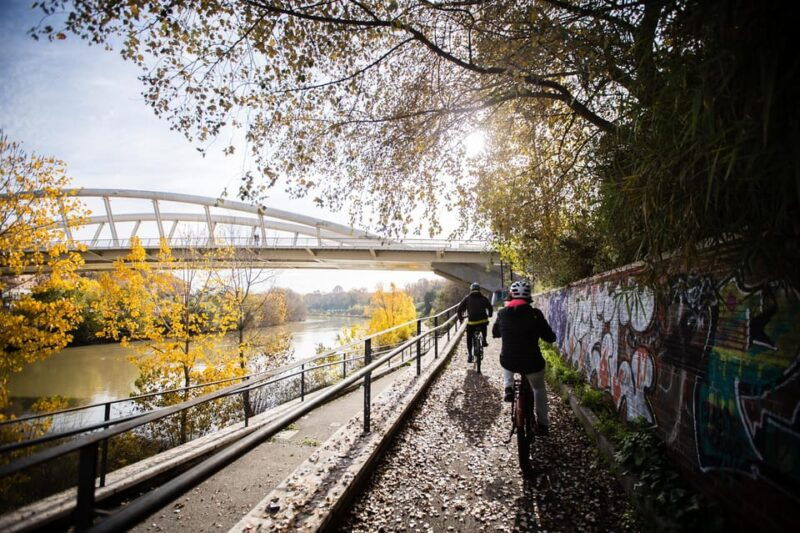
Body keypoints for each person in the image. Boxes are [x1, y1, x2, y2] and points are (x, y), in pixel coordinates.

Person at [492, 279, 556, 435]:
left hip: (509, 361)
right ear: (529, 297)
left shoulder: (502, 313)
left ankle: (508, 387)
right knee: (539, 389)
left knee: (505, 360)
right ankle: (543, 425)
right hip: (532, 363)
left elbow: (495, 333)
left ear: (510, 296)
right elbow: (550, 337)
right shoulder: (535, 314)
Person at [457, 282, 493, 363]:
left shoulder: (467, 298)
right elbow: (490, 307)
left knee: (469, 337)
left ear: (471, 289)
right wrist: (490, 315)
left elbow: (459, 309)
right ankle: (484, 340)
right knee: (484, 324)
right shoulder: (484, 298)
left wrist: (461, 319)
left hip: (472, 322)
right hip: (483, 320)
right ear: (479, 289)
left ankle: (470, 355)